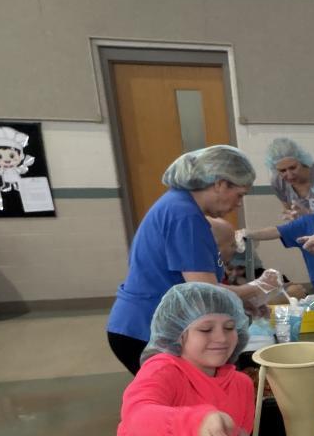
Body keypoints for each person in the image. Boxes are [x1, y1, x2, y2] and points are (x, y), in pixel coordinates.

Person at [62, 283, 256, 436]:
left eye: (229, 327)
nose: (221, 338)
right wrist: (196, 423)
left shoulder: (241, 385)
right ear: (178, 333)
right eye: (205, 329)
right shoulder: (164, 370)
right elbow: (137, 416)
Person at [106, 146, 281, 374]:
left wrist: (239, 302)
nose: (239, 203)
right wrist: (258, 287)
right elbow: (205, 291)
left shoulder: (178, 206)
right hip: (144, 328)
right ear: (220, 184)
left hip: (141, 323)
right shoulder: (185, 215)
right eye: (240, 195)